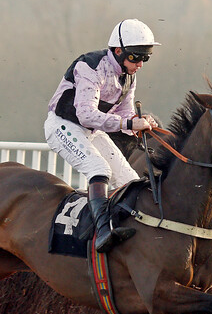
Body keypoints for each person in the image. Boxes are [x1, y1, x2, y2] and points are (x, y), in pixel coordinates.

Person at [45, 18, 159, 253]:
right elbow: (86, 114)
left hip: (90, 131)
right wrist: (129, 122)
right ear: (118, 51)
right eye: (136, 57)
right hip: (63, 126)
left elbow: (124, 115)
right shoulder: (90, 66)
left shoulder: (129, 76)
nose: (140, 64)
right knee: (100, 169)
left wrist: (141, 125)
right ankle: (102, 232)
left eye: (145, 58)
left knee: (130, 180)